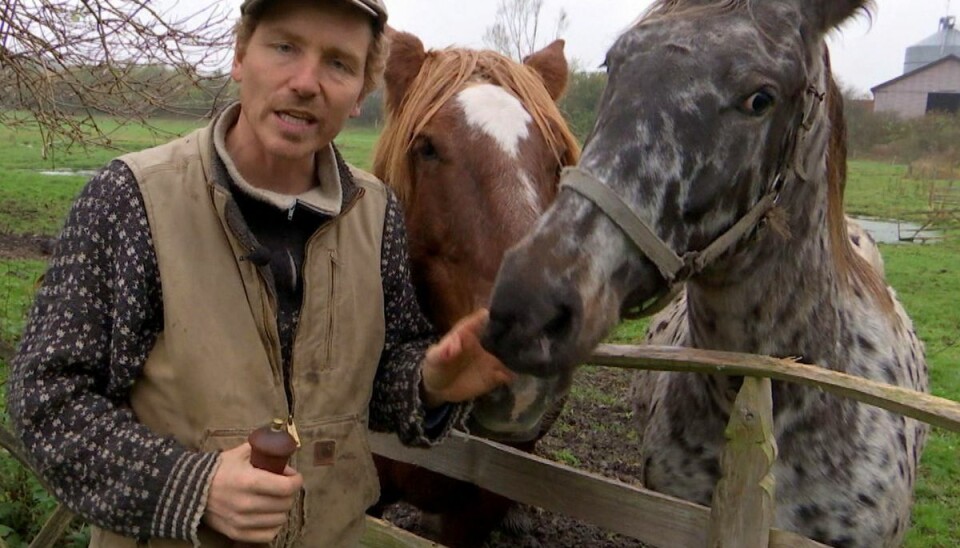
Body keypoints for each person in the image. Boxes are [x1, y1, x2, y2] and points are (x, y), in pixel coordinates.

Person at [6, 0, 516, 546]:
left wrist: (430, 383)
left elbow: (377, 380)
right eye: (285, 47)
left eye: (339, 64)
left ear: (360, 95)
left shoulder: (376, 213)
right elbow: (45, 401)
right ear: (240, 57)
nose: (306, 82)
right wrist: (190, 486)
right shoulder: (131, 200)